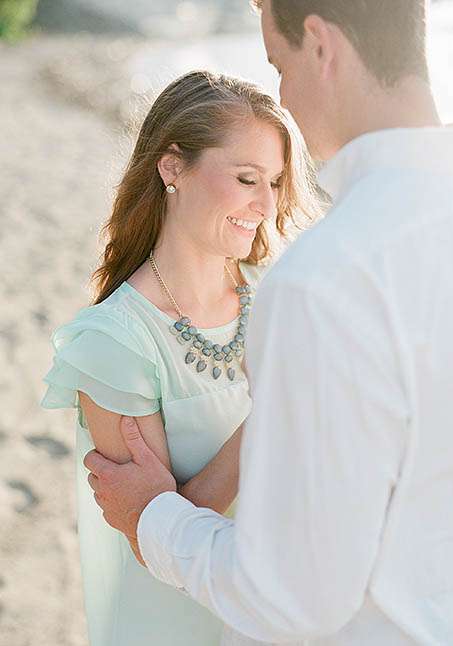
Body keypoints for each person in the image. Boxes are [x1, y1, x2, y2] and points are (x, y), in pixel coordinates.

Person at [82, 1, 453, 644]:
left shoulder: (325, 281)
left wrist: (153, 513)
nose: (285, 96)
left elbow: (292, 600)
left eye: (279, 65)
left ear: (319, 44)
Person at [41, 70, 317, 645]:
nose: (265, 205)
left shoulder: (281, 295)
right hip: (175, 626)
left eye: (275, 182)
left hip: (284, 615)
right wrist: (276, 413)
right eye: (246, 178)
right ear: (172, 167)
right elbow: (154, 532)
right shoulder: (113, 343)